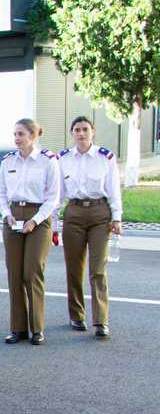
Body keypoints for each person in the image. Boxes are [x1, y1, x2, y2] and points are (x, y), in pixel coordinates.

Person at [0, 118, 61, 345]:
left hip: (38, 218)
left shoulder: (48, 161)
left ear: (33, 136)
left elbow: (53, 197)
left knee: (32, 272)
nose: (16, 138)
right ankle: (18, 328)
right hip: (13, 216)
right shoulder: (7, 161)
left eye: (21, 134)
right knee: (14, 274)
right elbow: (1, 194)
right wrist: (6, 214)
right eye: (14, 134)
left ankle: (37, 328)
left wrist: (35, 220)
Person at [59, 115, 122, 339]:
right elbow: (58, 193)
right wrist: (53, 221)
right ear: (72, 133)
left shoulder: (105, 157)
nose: (81, 133)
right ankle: (77, 315)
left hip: (99, 213)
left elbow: (114, 188)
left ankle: (101, 321)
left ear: (93, 131)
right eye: (77, 130)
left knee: (98, 270)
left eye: (85, 129)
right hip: (74, 212)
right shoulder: (63, 158)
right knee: (74, 268)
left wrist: (117, 217)